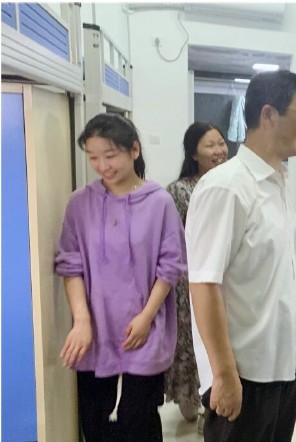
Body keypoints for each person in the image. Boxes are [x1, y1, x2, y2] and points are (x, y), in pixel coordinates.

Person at [186, 70, 296, 442]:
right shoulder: (226, 187)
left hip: (283, 367)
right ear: (269, 115)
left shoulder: (277, 182)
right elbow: (204, 284)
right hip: (244, 376)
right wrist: (224, 375)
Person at [55, 113, 186, 441]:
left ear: (134, 150)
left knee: (138, 420)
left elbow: (170, 267)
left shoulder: (159, 203)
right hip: (95, 332)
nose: (102, 166)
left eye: (110, 155)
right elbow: (70, 265)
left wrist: (146, 317)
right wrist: (81, 320)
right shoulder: (80, 203)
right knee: (95, 422)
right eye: (93, 157)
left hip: (144, 328)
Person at [164, 122, 229, 422]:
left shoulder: (231, 183)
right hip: (189, 282)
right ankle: (193, 399)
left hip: (225, 277)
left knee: (220, 340)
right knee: (193, 342)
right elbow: (172, 241)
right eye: (209, 145)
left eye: (221, 143)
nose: (219, 151)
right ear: (193, 153)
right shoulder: (179, 190)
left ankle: (217, 404)